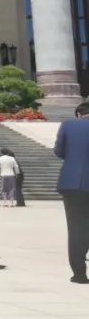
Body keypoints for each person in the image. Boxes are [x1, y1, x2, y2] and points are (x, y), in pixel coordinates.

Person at [54, 103, 89, 283]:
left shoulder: (68, 125)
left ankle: (79, 273)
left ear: (78, 114)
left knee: (76, 228)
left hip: (73, 182)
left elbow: (59, 151)